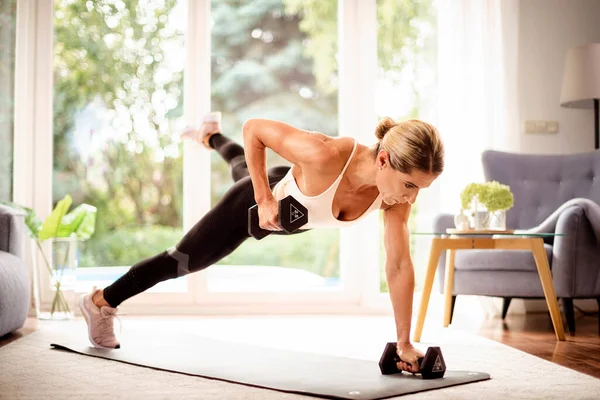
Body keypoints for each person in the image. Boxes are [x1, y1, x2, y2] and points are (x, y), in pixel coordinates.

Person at [79, 111, 444, 374]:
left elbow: (398, 265)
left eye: (419, 189)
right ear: (383, 159)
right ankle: (100, 302)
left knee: (241, 165)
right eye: (410, 185)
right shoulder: (325, 154)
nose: (412, 199)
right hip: (254, 206)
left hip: (290, 200)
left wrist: (405, 342)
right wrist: (265, 199)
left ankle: (210, 136)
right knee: (183, 261)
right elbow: (255, 128)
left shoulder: (393, 197)